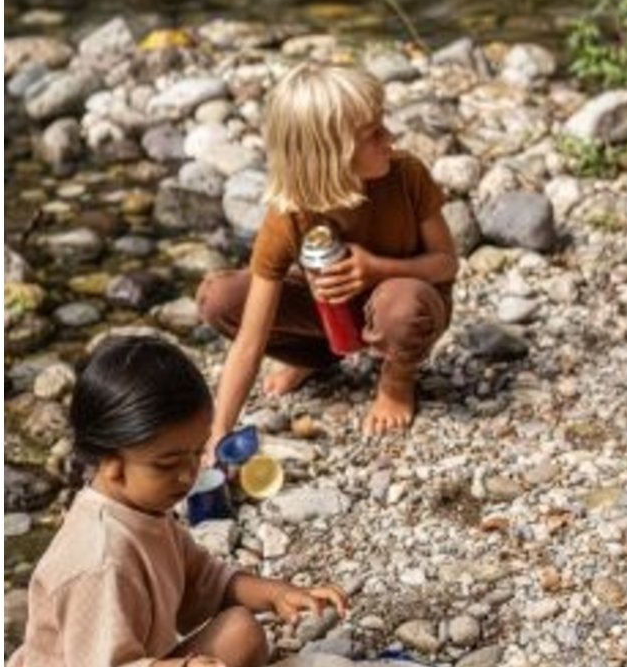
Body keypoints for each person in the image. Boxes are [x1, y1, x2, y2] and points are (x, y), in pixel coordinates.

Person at [4, 334, 348, 667]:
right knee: (233, 659)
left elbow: (203, 579)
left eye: (195, 453)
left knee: (242, 633)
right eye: (168, 463)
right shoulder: (100, 560)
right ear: (111, 465)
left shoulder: (143, 510)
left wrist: (279, 595)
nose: (188, 476)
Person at [196, 62, 458, 457]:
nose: (390, 138)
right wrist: (219, 431)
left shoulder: (406, 175)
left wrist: (377, 268)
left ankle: (395, 381)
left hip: (408, 303)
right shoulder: (290, 216)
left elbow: (446, 263)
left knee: (402, 308)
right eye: (374, 134)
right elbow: (251, 339)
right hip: (333, 314)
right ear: (332, 155)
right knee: (220, 299)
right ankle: (317, 357)